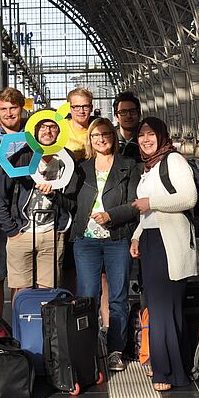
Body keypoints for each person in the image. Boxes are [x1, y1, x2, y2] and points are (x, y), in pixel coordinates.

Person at [129, 117, 197, 391]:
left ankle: (165, 372)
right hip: (151, 240)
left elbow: (189, 198)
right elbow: (147, 214)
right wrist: (136, 236)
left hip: (169, 244)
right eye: (141, 135)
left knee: (163, 310)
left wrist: (151, 202)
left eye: (150, 134)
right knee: (161, 309)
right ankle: (174, 369)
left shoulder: (174, 161)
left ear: (161, 135)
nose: (145, 139)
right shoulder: (150, 166)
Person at [68, 117, 138, 372]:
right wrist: (52, 193)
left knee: (118, 296)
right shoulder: (80, 168)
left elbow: (134, 204)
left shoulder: (129, 167)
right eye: (95, 135)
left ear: (113, 136)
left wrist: (112, 216)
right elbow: (71, 202)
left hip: (117, 238)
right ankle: (87, 348)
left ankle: (115, 350)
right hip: (86, 240)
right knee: (88, 297)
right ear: (90, 139)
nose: (101, 138)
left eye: (105, 133)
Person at [0, 117, 73, 298]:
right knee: (21, 292)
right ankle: (21, 326)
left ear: (60, 131)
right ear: (34, 131)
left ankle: (44, 327)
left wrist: (61, 224)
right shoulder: (21, 157)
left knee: (49, 293)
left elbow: (73, 199)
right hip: (22, 231)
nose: (47, 131)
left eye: (52, 127)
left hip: (52, 233)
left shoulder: (66, 159)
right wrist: (11, 230)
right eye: (42, 127)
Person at [0, 87, 27, 315]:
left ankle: (21, 326)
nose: (9, 113)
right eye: (3, 109)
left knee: (21, 277)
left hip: (26, 213)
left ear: (22, 108)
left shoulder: (34, 133)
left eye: (13, 108)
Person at [65, 87, 94, 161]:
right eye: (76, 107)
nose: (81, 111)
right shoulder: (60, 128)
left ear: (91, 108)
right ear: (69, 108)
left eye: (85, 106)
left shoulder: (99, 130)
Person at [113, 91, 142, 161]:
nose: (128, 116)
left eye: (132, 111)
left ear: (139, 115)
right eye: (123, 112)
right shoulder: (109, 139)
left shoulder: (148, 140)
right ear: (116, 117)